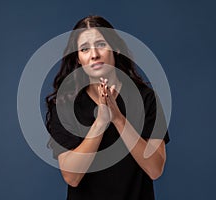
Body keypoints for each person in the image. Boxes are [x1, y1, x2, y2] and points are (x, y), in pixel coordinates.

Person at [45, 15, 170, 200]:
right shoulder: (66, 106)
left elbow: (155, 169)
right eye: (85, 49)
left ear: (116, 48)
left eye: (101, 45)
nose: (94, 54)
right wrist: (101, 122)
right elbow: (72, 177)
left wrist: (118, 119)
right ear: (78, 58)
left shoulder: (145, 98)